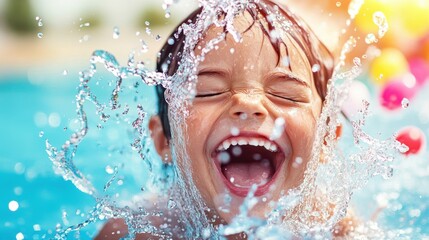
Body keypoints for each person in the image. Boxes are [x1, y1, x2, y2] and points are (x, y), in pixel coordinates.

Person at [96, 0, 356, 239]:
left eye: (285, 94)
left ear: (326, 138)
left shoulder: (335, 228)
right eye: (208, 91)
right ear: (165, 140)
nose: (248, 103)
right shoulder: (137, 230)